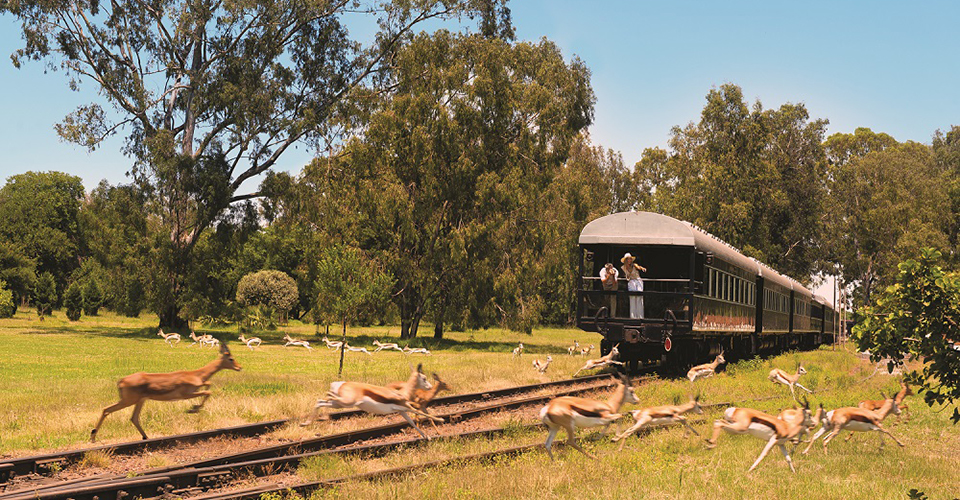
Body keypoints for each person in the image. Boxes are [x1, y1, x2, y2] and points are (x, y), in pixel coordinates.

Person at [621, 253, 647, 319]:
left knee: (639, 298)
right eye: (628, 259)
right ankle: (633, 317)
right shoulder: (623, 267)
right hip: (631, 282)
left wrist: (642, 268)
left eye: (630, 259)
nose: (629, 260)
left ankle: (640, 317)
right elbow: (625, 276)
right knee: (632, 298)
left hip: (638, 281)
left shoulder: (634, 265)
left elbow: (639, 267)